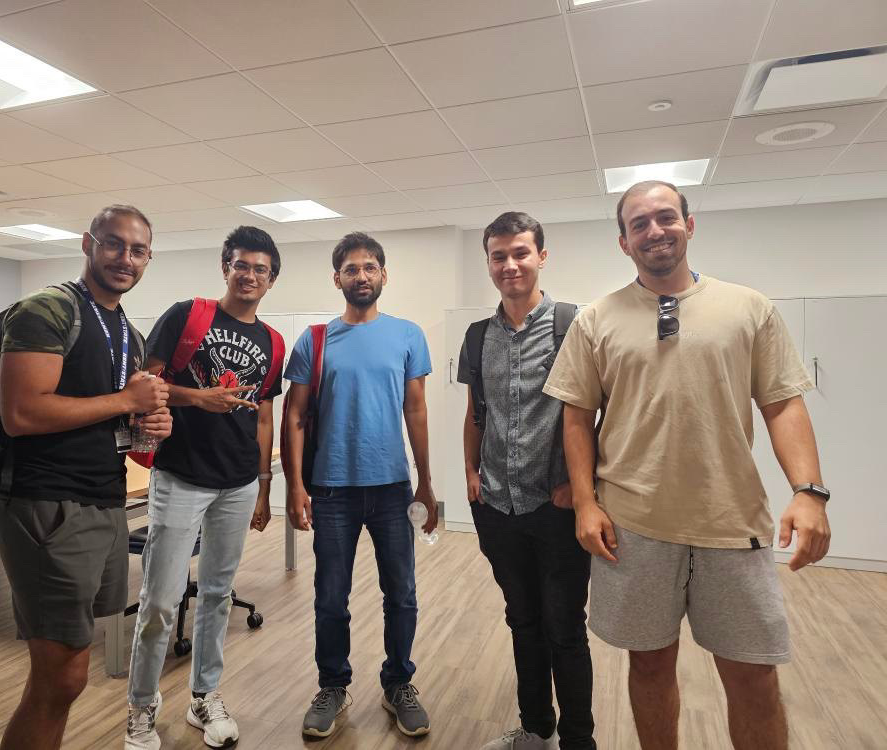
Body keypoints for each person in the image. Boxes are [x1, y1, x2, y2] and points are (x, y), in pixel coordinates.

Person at [544, 181, 832, 750]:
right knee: (649, 666)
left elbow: (782, 404)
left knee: (752, 674)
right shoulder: (597, 320)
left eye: (665, 217)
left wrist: (809, 491)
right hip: (634, 526)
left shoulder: (748, 308)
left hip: (731, 524)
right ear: (623, 242)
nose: (655, 231)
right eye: (639, 224)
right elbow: (576, 418)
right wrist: (584, 501)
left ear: (689, 224)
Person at [0, 204, 172, 750]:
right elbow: (21, 414)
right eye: (114, 244)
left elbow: (117, 422)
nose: (126, 259)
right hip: (47, 504)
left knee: (69, 672)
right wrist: (124, 398)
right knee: (61, 676)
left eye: (138, 250)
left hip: (102, 502)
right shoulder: (46, 311)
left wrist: (149, 424)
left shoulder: (127, 332)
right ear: (87, 244)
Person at [124, 226, 284, 749]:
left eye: (260, 269)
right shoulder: (186, 315)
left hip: (238, 483)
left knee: (217, 595)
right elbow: (144, 388)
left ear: (271, 278)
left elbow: (264, 418)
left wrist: (263, 486)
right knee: (160, 601)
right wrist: (200, 399)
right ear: (225, 267)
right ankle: (142, 710)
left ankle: (204, 696)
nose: (250, 275)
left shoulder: (272, 342)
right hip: (180, 476)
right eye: (242, 265)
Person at [283, 232, 437, 739]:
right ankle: (332, 685)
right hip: (331, 491)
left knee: (403, 594)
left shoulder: (408, 335)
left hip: (393, 488)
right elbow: (297, 415)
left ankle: (398, 683)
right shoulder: (315, 340)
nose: (362, 276)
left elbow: (415, 409)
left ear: (384, 275)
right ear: (337, 279)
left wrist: (426, 483)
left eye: (370, 267)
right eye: (352, 269)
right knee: (331, 596)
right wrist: (294, 487)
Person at [459, 212, 596, 750]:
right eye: (499, 256)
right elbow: (477, 412)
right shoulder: (477, 336)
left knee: (565, 628)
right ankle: (536, 728)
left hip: (557, 508)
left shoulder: (574, 325)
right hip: (497, 508)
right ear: (489, 263)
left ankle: (578, 740)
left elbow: (598, 412)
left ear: (541, 256)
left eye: (520, 253)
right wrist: (470, 474)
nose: (510, 264)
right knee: (523, 621)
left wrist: (580, 487)